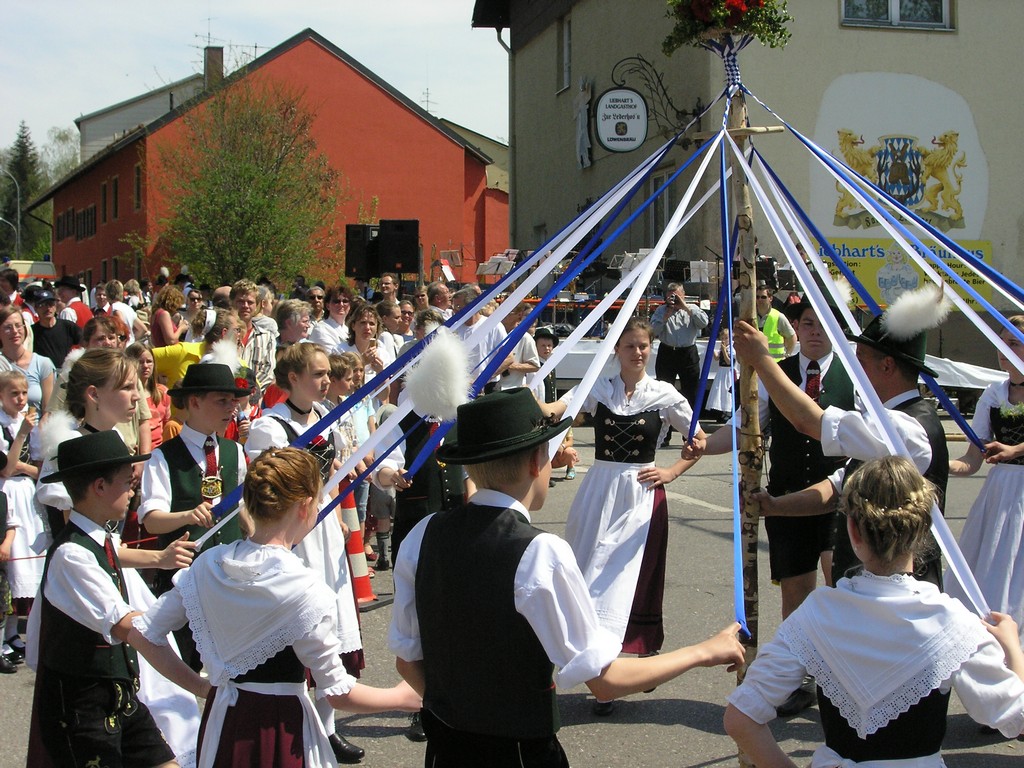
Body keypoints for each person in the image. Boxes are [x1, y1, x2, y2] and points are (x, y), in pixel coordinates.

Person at [390, 387, 745, 766]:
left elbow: (407, 660)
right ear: (536, 463)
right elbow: (605, 679)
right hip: (520, 754)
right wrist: (703, 651)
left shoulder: (423, 533)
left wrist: (461, 715)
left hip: (445, 750)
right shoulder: (540, 552)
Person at [724, 456, 1024, 766]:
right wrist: (1013, 650)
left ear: (852, 530)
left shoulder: (818, 612)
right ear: (924, 530)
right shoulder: (954, 621)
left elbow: (740, 718)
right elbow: (1014, 714)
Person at [132, 448, 421, 767]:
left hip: (223, 720)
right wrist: (402, 697)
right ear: (305, 506)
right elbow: (337, 691)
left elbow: (144, 634)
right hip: (279, 729)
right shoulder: (302, 586)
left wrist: (202, 686)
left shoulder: (208, 566)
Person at [541, 318, 707, 715]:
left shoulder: (664, 394)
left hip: (640, 494)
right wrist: (540, 402)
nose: (638, 352)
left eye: (643, 346)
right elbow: (564, 407)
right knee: (586, 571)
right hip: (599, 488)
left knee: (626, 578)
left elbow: (697, 440)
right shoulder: (602, 386)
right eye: (630, 346)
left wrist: (670, 472)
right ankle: (598, 662)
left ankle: (620, 667)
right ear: (616, 350)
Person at [734, 284, 950, 588]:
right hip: (875, 588)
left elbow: (810, 422)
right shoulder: (888, 422)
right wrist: (775, 506)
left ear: (887, 365)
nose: (853, 365)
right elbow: (839, 486)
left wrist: (762, 359)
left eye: (860, 358)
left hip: (901, 594)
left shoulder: (905, 427)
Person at [706, 298, 855, 715]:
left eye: (823, 325)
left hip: (837, 500)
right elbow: (747, 423)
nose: (814, 332)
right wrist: (703, 444)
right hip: (785, 500)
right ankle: (802, 673)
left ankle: (842, 673)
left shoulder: (852, 378)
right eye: (807, 323)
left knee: (840, 585)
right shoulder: (779, 374)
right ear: (796, 326)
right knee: (796, 596)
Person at [27, 430, 209, 768]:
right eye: (126, 483)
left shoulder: (96, 538)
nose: (133, 491)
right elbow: (136, 629)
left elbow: (113, 552)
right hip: (83, 709)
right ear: (99, 487)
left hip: (121, 696)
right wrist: (201, 686)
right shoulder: (71, 557)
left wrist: (160, 558)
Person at [246, 343, 368, 763]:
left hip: (325, 533)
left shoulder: (325, 418)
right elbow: (263, 487)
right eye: (316, 374)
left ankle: (328, 728)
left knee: (332, 627)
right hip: (292, 537)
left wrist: (383, 473)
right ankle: (304, 726)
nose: (325, 380)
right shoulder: (270, 427)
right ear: (292, 378)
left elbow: (337, 473)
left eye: (326, 373)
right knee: (302, 625)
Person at [948, 314, 1024, 640]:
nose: (1003, 349)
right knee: (993, 571)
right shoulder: (992, 394)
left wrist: (1015, 450)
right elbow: (972, 460)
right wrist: (936, 463)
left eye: (1013, 343)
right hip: (999, 495)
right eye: (1000, 342)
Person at [650, 282, 709, 410]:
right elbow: (653, 332)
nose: (674, 300)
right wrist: (665, 317)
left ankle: (691, 421)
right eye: (671, 297)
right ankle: (665, 421)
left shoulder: (692, 308)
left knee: (691, 389)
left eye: (676, 296)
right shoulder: (661, 311)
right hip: (667, 351)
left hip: (687, 353)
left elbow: (704, 323)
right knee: (664, 388)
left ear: (683, 296)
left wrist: (686, 308)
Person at [0, 305, 54, 412]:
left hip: (38, 426)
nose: (15, 331)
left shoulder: (43, 363)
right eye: (8, 327)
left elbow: (49, 411)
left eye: (18, 325)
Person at [232, 279, 276, 396]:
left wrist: (251, 389)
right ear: (232, 303)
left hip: (255, 397)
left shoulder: (267, 337)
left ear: (256, 305)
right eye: (240, 301)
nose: (245, 306)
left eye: (250, 302)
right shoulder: (223, 335)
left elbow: (268, 370)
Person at [127, 342, 171, 449]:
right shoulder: (127, 395)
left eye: (149, 361)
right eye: (140, 362)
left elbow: (166, 425)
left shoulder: (163, 392)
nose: (146, 366)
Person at [30, 288, 81, 367]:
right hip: (43, 374)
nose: (47, 308)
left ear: (55, 306)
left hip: (65, 373)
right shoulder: (31, 332)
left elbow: (86, 342)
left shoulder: (68, 327)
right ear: (36, 308)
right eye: (42, 305)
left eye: (50, 304)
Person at [755, 283, 797, 361]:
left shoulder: (779, 317)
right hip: (757, 364)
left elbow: (792, 337)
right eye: (757, 297)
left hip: (777, 364)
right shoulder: (752, 317)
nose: (759, 300)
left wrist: (787, 355)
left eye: (763, 297)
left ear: (770, 298)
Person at [308, 283, 353, 351]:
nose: (341, 304)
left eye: (345, 301)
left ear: (349, 306)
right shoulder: (320, 329)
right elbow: (333, 357)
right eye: (336, 301)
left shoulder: (348, 330)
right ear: (328, 306)